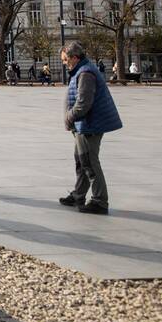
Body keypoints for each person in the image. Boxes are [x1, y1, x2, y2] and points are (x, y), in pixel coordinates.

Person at [58, 41, 123, 214]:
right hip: (83, 125)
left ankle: (100, 201)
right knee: (81, 161)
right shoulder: (81, 70)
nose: (65, 64)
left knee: (89, 163)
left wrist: (68, 118)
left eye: (65, 60)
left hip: (89, 125)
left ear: (74, 57)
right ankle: (79, 194)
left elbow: (83, 104)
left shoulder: (85, 73)